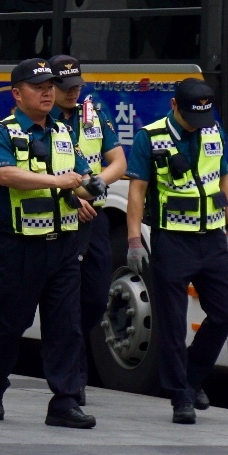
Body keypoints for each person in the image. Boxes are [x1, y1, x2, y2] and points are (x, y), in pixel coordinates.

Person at [0, 58, 101, 429]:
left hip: (62, 244)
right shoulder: (2, 132)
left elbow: (81, 176)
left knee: (66, 325)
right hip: (18, 246)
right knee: (10, 324)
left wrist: (87, 192)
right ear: (17, 94)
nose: (48, 92)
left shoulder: (63, 131)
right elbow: (5, 176)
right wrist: (59, 182)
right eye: (38, 86)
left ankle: (64, 400)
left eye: (50, 86)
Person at [126, 77, 228, 425]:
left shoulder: (212, 130)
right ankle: (179, 397)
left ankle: (191, 375)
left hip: (212, 239)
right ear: (175, 106)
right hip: (172, 240)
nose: (198, 124)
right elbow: (137, 190)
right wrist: (133, 240)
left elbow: (221, 178)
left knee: (226, 313)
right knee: (174, 324)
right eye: (192, 116)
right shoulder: (151, 136)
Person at [50, 55, 126, 356]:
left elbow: (118, 162)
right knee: (61, 297)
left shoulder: (92, 111)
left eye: (76, 85)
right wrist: (72, 197)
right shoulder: (43, 117)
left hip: (93, 218)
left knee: (95, 298)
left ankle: (70, 358)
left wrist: (94, 188)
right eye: (65, 86)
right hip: (55, 218)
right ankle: (71, 370)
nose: (72, 92)